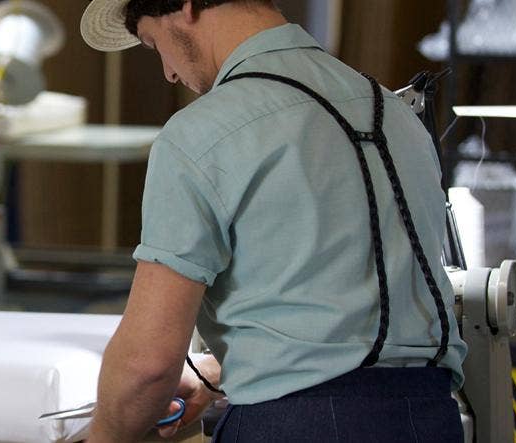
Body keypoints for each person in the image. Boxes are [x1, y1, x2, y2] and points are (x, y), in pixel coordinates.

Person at [77, 0, 468, 441]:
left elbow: (148, 366)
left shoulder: (203, 131)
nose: (168, 71)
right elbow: (346, 298)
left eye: (154, 43)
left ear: (184, 7)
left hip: (295, 426)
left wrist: (103, 435)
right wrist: (225, 368)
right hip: (431, 418)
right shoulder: (393, 112)